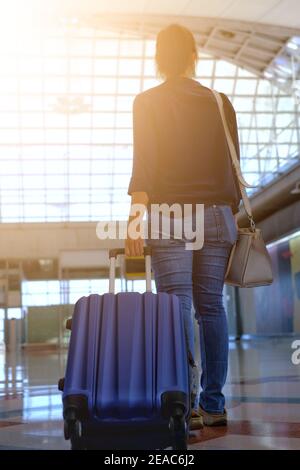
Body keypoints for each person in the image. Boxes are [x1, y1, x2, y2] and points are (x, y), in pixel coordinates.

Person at [125, 24, 241, 429]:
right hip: (216, 216)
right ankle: (214, 403)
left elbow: (144, 171)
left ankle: (182, 402)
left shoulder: (147, 103)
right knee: (212, 307)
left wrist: (135, 222)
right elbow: (234, 167)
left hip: (169, 215)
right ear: (193, 56)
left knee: (176, 306)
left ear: (159, 58)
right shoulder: (219, 101)